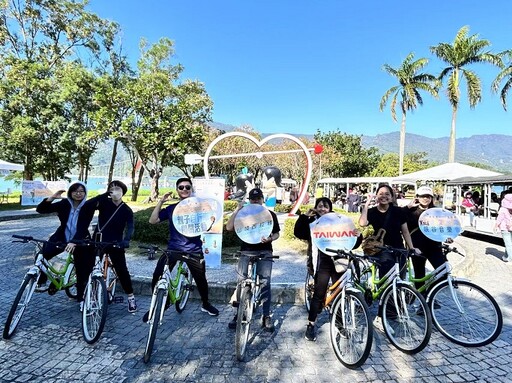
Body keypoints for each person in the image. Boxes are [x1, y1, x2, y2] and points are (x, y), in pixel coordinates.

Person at [145, 177, 219, 321]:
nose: (184, 189)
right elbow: (152, 220)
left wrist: (210, 222)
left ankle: (205, 303)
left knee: (201, 279)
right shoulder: (172, 208)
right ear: (177, 190)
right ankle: (155, 305)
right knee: (157, 274)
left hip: (193, 250)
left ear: (191, 189)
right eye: (181, 187)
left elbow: (207, 226)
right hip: (174, 248)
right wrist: (160, 202)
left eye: (187, 187)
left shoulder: (200, 208)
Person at [294, 197, 361, 341]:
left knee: (339, 293)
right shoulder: (312, 223)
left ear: (330, 208)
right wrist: (305, 216)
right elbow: (298, 233)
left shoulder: (340, 222)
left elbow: (352, 243)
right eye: (319, 206)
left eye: (325, 206)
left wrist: (358, 236)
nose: (322, 208)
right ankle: (311, 325)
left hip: (338, 261)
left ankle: (340, 323)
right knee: (319, 293)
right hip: (321, 262)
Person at [69, 180, 137, 313]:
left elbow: (130, 226)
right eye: (111, 189)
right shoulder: (104, 203)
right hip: (98, 241)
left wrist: (126, 240)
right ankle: (84, 297)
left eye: (117, 189)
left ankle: (131, 297)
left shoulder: (126, 209)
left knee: (122, 270)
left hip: (116, 243)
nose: (114, 191)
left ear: (123, 191)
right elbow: (87, 206)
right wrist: (102, 195)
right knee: (89, 269)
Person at [225, 187, 280, 332]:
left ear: (262, 200)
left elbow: (276, 234)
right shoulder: (243, 214)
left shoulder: (270, 215)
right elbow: (229, 227)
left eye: (258, 198)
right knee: (240, 282)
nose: (255, 201)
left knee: (265, 282)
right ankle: (238, 314)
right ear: (249, 200)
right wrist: (237, 210)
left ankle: (266, 315)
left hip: (265, 250)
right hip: (246, 251)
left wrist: (270, 238)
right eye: (253, 199)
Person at [35, 182, 88, 291]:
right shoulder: (63, 204)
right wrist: (52, 197)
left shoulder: (88, 206)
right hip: (61, 237)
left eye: (81, 191)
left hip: (80, 239)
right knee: (43, 254)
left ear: (85, 193)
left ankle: (81, 291)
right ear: (70, 192)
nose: (78, 193)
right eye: (75, 191)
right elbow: (41, 209)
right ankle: (43, 280)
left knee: (83, 265)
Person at [358, 184, 419, 280]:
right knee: (387, 276)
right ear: (377, 196)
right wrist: (367, 204)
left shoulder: (399, 212)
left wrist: (411, 248)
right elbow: (362, 223)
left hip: (399, 248)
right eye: (381, 194)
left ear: (391, 197)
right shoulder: (372, 212)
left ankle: (398, 294)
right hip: (381, 248)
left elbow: (405, 232)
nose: (384, 196)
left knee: (401, 276)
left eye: (387, 194)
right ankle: (384, 294)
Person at [403, 186, 447, 292]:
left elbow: (443, 227)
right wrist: (407, 207)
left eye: (428, 196)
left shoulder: (436, 211)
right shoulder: (410, 211)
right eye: (423, 196)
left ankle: (431, 293)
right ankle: (422, 301)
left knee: (443, 272)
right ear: (417, 197)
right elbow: (399, 219)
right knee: (419, 275)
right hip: (417, 247)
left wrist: (447, 237)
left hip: (434, 246)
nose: (425, 199)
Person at [494, 194, 512, 263]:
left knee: (508, 244)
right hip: (510, 228)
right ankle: (506, 257)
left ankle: (509, 258)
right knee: (510, 244)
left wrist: (495, 226)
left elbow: (499, 219)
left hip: (504, 228)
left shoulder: (502, 209)